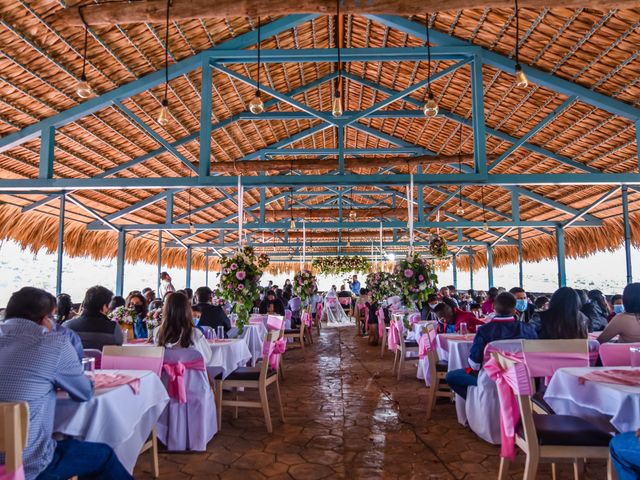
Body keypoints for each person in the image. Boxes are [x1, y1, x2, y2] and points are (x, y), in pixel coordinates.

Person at [0, 287, 132, 480]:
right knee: (103, 455)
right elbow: (84, 393)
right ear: (44, 319)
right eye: (52, 318)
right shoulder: (54, 343)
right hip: (27, 465)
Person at [445, 292, 538, 399]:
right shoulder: (529, 329)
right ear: (514, 309)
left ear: (493, 307)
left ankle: (477, 400)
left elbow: (475, 364)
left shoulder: (484, 330)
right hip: (521, 378)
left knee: (451, 377)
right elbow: (534, 356)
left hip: (490, 379)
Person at [154, 292, 213, 364]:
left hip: (165, 374)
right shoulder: (195, 333)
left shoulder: (158, 332)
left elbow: (158, 357)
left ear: (166, 310)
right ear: (187, 310)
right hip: (192, 374)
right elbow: (207, 358)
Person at [64, 286, 123, 350]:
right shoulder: (113, 328)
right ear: (104, 306)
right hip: (105, 360)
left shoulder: (67, 326)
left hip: (75, 360)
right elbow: (118, 348)